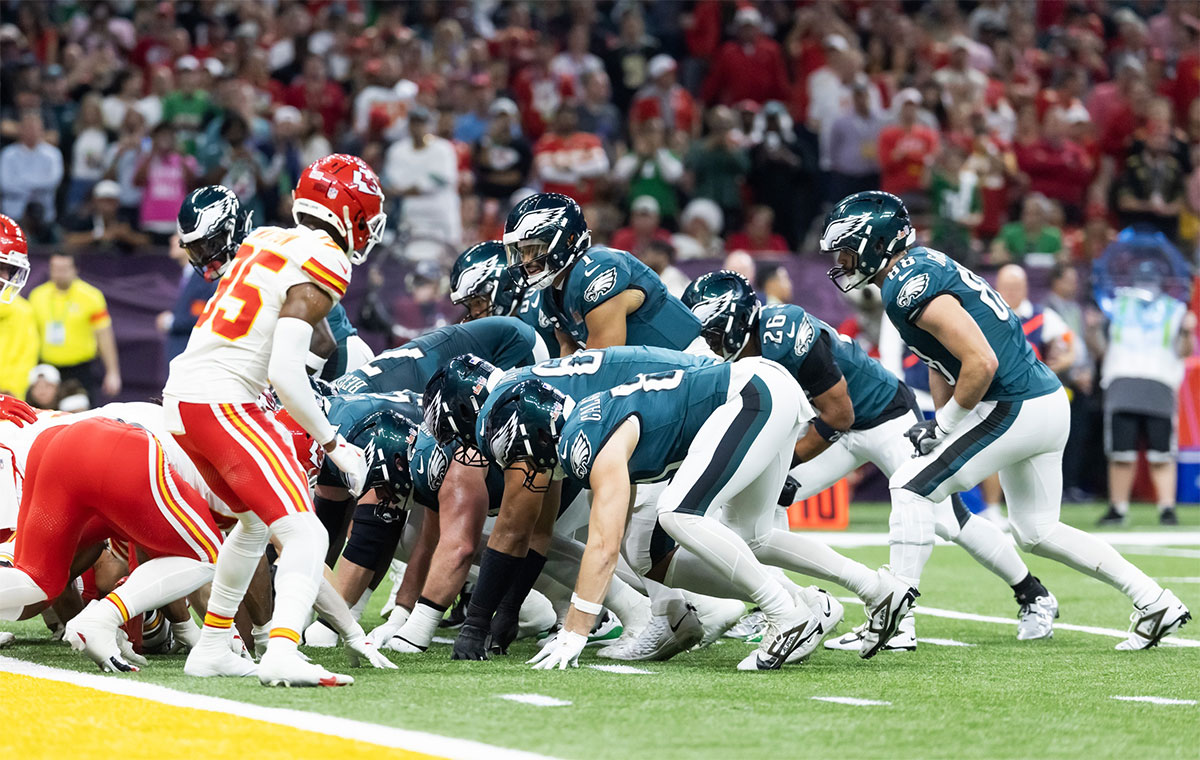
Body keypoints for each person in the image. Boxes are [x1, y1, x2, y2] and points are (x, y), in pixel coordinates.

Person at [824, 190, 1190, 651]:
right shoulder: (917, 268)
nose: (840, 258)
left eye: (846, 245)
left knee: (911, 485)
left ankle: (891, 616)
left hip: (1017, 404)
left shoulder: (906, 284)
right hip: (1042, 401)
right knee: (1037, 530)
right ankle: (1154, 600)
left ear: (875, 242)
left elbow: (980, 362)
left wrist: (943, 425)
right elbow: (943, 361)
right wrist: (946, 422)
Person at [684, 271, 1056, 650]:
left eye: (713, 332)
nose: (710, 342)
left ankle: (1030, 592)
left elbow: (839, 413)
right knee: (766, 499)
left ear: (734, 323)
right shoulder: (743, 349)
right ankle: (783, 606)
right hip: (835, 425)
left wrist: (787, 460)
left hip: (883, 416)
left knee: (948, 520)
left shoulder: (783, 331)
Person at [163, 154, 385, 687]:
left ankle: (213, 644)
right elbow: (286, 370)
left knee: (255, 524)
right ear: (353, 210)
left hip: (182, 398)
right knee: (306, 531)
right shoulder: (327, 256)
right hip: (223, 400)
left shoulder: (264, 237)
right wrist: (334, 444)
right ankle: (282, 650)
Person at [482, 364, 860, 672]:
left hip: (752, 392)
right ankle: (819, 600)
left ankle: (784, 613)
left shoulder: (583, 438)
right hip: (762, 390)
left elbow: (602, 545)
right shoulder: (585, 422)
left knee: (680, 514)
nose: (522, 468)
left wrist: (575, 631)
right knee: (654, 551)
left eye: (519, 454)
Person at [503, 193, 702, 355]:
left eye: (534, 250)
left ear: (568, 240)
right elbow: (567, 360)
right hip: (657, 379)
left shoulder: (597, 268)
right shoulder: (550, 291)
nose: (527, 261)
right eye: (521, 252)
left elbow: (602, 366)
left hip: (695, 364)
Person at [1095, 262, 1197, 527]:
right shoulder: (1116, 306)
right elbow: (1100, 347)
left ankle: (1166, 508)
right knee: (1121, 452)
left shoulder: (1175, 310)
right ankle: (1118, 508)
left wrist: (1187, 331)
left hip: (1159, 383)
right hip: (1122, 381)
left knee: (1162, 453)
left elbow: (1185, 351)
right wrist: (1093, 327)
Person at [28, 253, 122, 402]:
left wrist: (112, 372)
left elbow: (104, 335)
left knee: (80, 414)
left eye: (64, 269)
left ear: (75, 269)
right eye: (56, 269)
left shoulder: (91, 296)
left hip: (80, 369)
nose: (60, 274)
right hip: (48, 367)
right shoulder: (37, 296)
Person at [383, 106, 462, 261]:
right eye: (414, 123)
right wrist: (408, 189)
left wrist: (407, 189)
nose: (418, 127)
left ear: (430, 125)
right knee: (411, 265)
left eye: (422, 123)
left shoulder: (443, 149)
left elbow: (440, 181)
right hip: (412, 220)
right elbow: (390, 183)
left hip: (442, 219)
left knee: (446, 264)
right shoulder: (397, 150)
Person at [0, 111, 63, 236]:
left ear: (42, 130)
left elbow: (52, 182)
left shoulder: (53, 154)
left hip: (45, 213)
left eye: (35, 128)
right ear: (20, 130)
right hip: (14, 213)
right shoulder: (8, 154)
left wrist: (22, 182)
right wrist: (36, 185)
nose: (31, 132)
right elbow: (5, 184)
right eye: (28, 128)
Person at [0, 214, 35, 399]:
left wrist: (12, 392)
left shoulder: (22, 311)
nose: (5, 278)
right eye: (0, 267)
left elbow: (26, 357)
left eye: (10, 270)